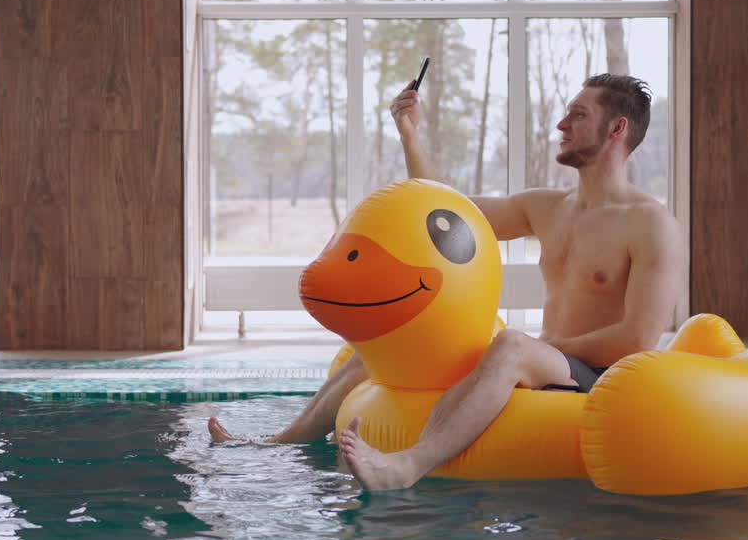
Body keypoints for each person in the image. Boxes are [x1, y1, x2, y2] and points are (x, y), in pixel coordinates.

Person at [209, 73, 684, 491]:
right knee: (395, 339)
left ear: (617, 129)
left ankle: (407, 465)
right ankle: (277, 444)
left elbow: (637, 339)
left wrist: (549, 345)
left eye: (578, 115)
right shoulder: (547, 207)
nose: (561, 125)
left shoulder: (650, 224)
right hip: (550, 360)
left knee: (513, 346)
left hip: (603, 379)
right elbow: (445, 212)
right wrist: (410, 136)